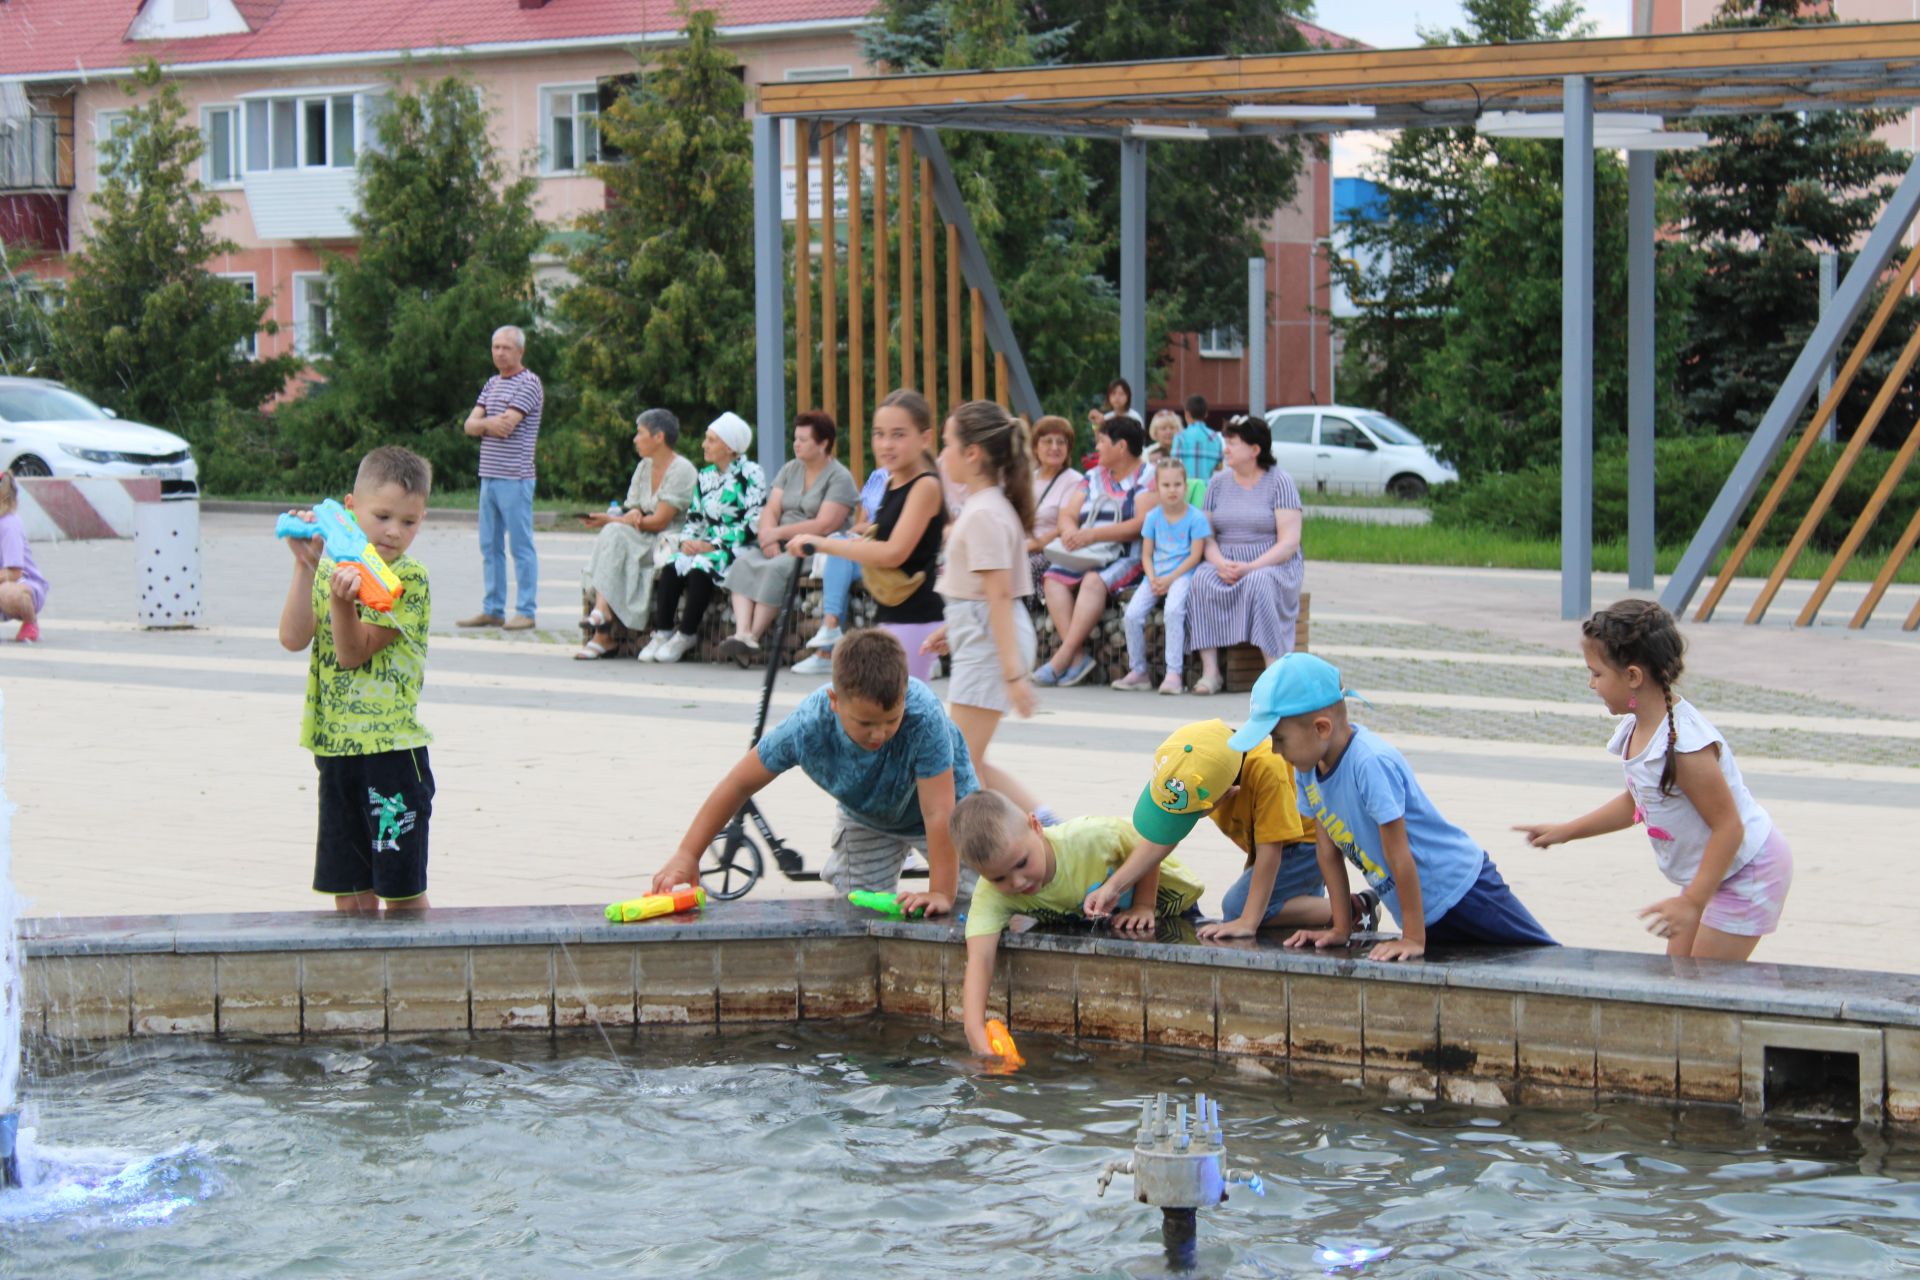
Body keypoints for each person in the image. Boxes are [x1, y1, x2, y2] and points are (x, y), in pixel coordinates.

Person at [1515, 600, 1791, 962]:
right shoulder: (1639, 726)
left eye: (1597, 674)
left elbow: (1729, 828)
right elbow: (1637, 802)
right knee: (1676, 978)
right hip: (1711, 873)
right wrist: (1567, 831)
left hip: (1747, 872)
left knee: (1701, 989)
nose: (1590, 684)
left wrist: (1693, 901)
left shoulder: (1684, 748)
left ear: (1632, 677)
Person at [1239, 653, 1555, 960]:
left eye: (1279, 739)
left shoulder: (1369, 762)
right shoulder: (1307, 769)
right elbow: (1327, 852)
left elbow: (1398, 853)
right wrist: (1340, 927)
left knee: (1541, 961)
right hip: (1422, 909)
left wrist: (1414, 938)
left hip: (1464, 889)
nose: (1275, 750)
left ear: (1322, 728)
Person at [648, 628, 977, 916]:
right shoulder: (808, 726)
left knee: (968, 903)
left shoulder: (922, 714)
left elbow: (938, 811)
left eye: (891, 720)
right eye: (865, 723)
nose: (879, 734)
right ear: (834, 700)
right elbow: (737, 784)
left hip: (948, 812)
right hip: (868, 818)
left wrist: (941, 892)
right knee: (859, 910)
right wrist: (687, 854)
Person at [277, 446, 436, 913]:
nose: (393, 531)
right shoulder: (332, 566)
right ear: (350, 508)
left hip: (390, 755)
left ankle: (420, 981)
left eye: (409, 522)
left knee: (402, 895)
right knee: (349, 897)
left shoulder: (407, 578)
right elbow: (292, 637)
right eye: (382, 515)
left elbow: (352, 654)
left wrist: (343, 602)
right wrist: (306, 565)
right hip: (336, 750)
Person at [952, 789, 1203, 1055]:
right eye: (999, 879)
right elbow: (980, 959)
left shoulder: (1090, 838)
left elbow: (1151, 842)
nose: (1017, 882)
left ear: (1036, 826)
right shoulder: (990, 895)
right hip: (1109, 921)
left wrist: (1143, 905)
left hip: (1172, 907)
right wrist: (974, 1030)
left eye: (1022, 863)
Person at [1081, 718, 1377, 940]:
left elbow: (1270, 854)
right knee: (1283, 912)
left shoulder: (1267, 771)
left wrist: (1246, 921)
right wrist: (1113, 887)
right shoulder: (1201, 752)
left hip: (1305, 843)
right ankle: (1328, 913)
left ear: (1227, 794)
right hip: (1276, 841)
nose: (1180, 825)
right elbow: (1161, 840)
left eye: (1190, 816)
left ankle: (1355, 909)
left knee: (1236, 907)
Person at [922, 400, 1050, 819]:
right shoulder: (987, 507)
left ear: (972, 452)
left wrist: (1013, 675)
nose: (943, 455)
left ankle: (1043, 833)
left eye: (948, 444)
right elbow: (982, 593)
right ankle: (1046, 829)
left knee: (960, 765)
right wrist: (952, 627)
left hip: (989, 647)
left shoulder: (984, 514)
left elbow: (998, 596)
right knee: (967, 761)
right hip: (980, 637)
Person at [790, 389, 946, 683]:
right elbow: (875, 541)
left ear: (925, 438)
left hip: (916, 615)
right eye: (879, 434)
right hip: (892, 611)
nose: (886, 444)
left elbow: (894, 553)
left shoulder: (925, 486)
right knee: (891, 717)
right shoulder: (889, 482)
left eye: (899, 435)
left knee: (898, 715)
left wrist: (826, 543)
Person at [720, 412, 856, 666]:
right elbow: (771, 509)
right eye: (796, 438)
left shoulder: (840, 478)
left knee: (775, 569)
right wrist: (768, 539)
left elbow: (825, 523)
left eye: (804, 439)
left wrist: (778, 534)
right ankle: (742, 633)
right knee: (743, 562)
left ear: (823, 443)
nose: (796, 444)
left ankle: (753, 636)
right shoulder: (789, 469)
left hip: (812, 547)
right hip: (778, 541)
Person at [1034, 414, 1159, 688]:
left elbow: (1140, 524)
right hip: (1086, 552)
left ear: (1121, 446)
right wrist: (1068, 532)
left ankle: (1063, 656)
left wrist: (1091, 534)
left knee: (1093, 581)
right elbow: (1068, 513)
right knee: (1053, 578)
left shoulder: (1147, 476)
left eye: (1101, 442)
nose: (1097, 448)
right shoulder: (1093, 476)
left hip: (1127, 555)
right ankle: (1078, 657)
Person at [1184, 416, 1304, 696]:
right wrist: (1218, 562)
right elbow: (1207, 535)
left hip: (1272, 563)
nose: (1226, 449)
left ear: (1254, 450)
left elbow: (1289, 543)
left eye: (1233, 444)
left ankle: (1273, 672)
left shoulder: (1280, 482)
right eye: (1226, 442)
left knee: (1259, 582)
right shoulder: (1217, 483)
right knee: (1201, 580)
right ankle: (1211, 672)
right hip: (1226, 561)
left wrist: (1251, 566)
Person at [640, 412, 767, 665]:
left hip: (738, 545)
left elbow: (755, 521)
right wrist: (688, 542)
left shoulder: (752, 473)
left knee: (703, 564)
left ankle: (687, 634)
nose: (704, 445)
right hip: (704, 543)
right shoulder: (705, 475)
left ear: (729, 447)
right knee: (675, 562)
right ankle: (663, 631)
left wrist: (713, 545)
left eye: (711, 440)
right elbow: (695, 518)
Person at [576, 409, 698, 660]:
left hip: (667, 538)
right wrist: (629, 515)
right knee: (613, 533)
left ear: (658, 437)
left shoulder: (682, 470)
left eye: (640, 433)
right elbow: (633, 506)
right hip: (642, 533)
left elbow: (660, 520)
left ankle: (603, 630)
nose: (635, 439)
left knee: (613, 531)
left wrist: (615, 519)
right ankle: (603, 621)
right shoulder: (645, 466)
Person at [459, 324, 543, 631]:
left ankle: (526, 610)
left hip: (515, 477)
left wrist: (483, 423)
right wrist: (484, 423)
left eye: (506, 347)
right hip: (489, 475)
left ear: (520, 351)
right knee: (489, 546)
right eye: (496, 347)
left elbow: (507, 425)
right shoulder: (492, 383)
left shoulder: (529, 382)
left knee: (520, 546)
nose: (499, 352)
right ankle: (493, 608)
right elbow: (469, 425)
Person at [1113, 457, 1211, 695]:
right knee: (1133, 614)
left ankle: (1174, 673)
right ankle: (1139, 672)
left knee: (1173, 611)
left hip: (1183, 575)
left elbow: (1195, 556)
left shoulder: (1196, 518)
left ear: (1186, 486)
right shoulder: (1153, 518)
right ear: (1157, 488)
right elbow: (1146, 554)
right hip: (1154, 576)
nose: (1172, 490)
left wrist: (1169, 579)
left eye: (1177, 485)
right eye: (1166, 485)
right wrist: (1154, 577)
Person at [793, 465, 890, 677]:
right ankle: (830, 632)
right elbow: (862, 523)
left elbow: (890, 528)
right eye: (879, 434)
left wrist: (866, 531)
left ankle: (826, 650)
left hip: (893, 553)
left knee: (839, 547)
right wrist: (861, 532)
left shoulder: (921, 479)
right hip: (870, 548)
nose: (885, 443)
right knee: (839, 545)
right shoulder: (878, 476)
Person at [1025, 415, 1083, 586]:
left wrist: (1029, 546)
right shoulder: (1028, 479)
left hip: (1049, 552)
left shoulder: (1074, 480)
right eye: (1048, 441)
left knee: (1018, 569)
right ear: (1036, 447)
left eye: (1061, 442)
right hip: (1020, 548)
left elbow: (1062, 527)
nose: (1055, 447)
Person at [0, 473, 47, 644]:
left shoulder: (8, 525)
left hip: (23, 585)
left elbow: (14, 573)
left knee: (7, 592)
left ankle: (30, 622)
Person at [1172, 394, 1223, 484]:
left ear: (1187, 413)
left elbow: (1174, 465)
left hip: (1186, 489)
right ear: (1206, 414)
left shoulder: (1180, 437)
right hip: (1207, 489)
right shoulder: (1215, 437)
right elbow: (1219, 467)